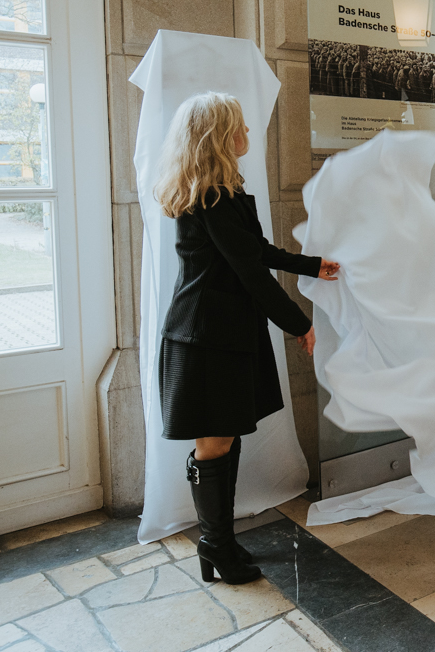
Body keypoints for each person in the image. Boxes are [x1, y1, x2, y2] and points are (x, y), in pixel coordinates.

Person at [154, 92, 340, 584]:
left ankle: (219, 543)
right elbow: (251, 274)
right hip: (205, 337)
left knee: (225, 437)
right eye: (240, 127)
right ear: (219, 136)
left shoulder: (224, 193)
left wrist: (310, 265)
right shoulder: (211, 197)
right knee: (214, 443)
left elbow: (254, 251)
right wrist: (300, 325)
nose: (248, 135)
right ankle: (216, 544)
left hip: (222, 333)